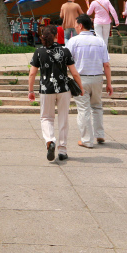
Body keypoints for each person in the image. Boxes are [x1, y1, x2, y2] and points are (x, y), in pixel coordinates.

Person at [26, 25, 84, 162]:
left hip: (46, 89)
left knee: (46, 117)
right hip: (63, 90)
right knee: (63, 118)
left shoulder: (39, 52)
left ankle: (50, 140)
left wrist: (30, 91)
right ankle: (62, 150)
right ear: (57, 36)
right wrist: (81, 88)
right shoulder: (65, 50)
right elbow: (74, 73)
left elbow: (32, 73)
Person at [65, 14, 113, 149]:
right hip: (97, 78)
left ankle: (86, 140)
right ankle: (99, 134)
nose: (75, 27)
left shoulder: (73, 42)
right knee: (97, 106)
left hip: (80, 79)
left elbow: (66, 62)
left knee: (83, 109)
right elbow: (107, 65)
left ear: (80, 26)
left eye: (75, 25)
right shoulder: (100, 41)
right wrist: (109, 83)